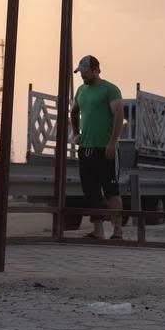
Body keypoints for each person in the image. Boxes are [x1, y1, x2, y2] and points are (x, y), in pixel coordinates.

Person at [70, 55, 125, 240]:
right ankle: (98, 231)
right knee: (91, 191)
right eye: (81, 72)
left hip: (105, 148)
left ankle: (117, 231)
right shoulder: (81, 90)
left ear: (96, 70)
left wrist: (112, 143)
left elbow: (119, 115)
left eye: (86, 72)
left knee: (111, 191)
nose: (83, 75)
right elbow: (74, 112)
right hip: (86, 148)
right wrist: (76, 133)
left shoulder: (110, 89)